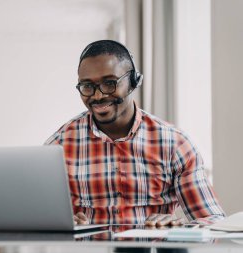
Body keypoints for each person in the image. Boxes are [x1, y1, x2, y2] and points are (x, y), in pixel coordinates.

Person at [45, 40, 225, 226]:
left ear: (133, 81)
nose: (98, 96)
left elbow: (215, 222)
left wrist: (179, 227)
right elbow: (38, 220)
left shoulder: (175, 145)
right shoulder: (58, 146)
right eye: (87, 86)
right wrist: (58, 225)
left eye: (109, 83)